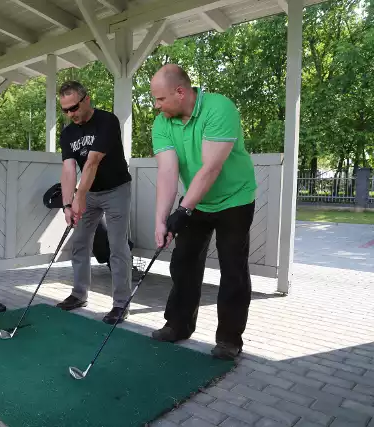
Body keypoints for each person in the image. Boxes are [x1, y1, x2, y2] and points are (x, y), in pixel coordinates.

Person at [150, 64, 257, 360]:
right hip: (198, 201)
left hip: (235, 199)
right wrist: (161, 221)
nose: (156, 106)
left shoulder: (219, 108)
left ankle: (229, 340)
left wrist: (183, 210)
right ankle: (178, 325)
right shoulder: (162, 123)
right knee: (183, 262)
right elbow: (168, 174)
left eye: (160, 99)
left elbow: (211, 167)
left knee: (232, 268)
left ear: (180, 92)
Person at [56, 80, 133, 325]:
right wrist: (68, 204)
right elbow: (69, 170)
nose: (71, 114)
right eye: (65, 110)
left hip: (116, 189)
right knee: (79, 242)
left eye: (74, 107)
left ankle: (121, 304)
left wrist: (79, 197)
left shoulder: (107, 121)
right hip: (89, 192)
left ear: (86, 99)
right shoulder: (68, 133)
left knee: (117, 246)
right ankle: (79, 295)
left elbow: (92, 162)